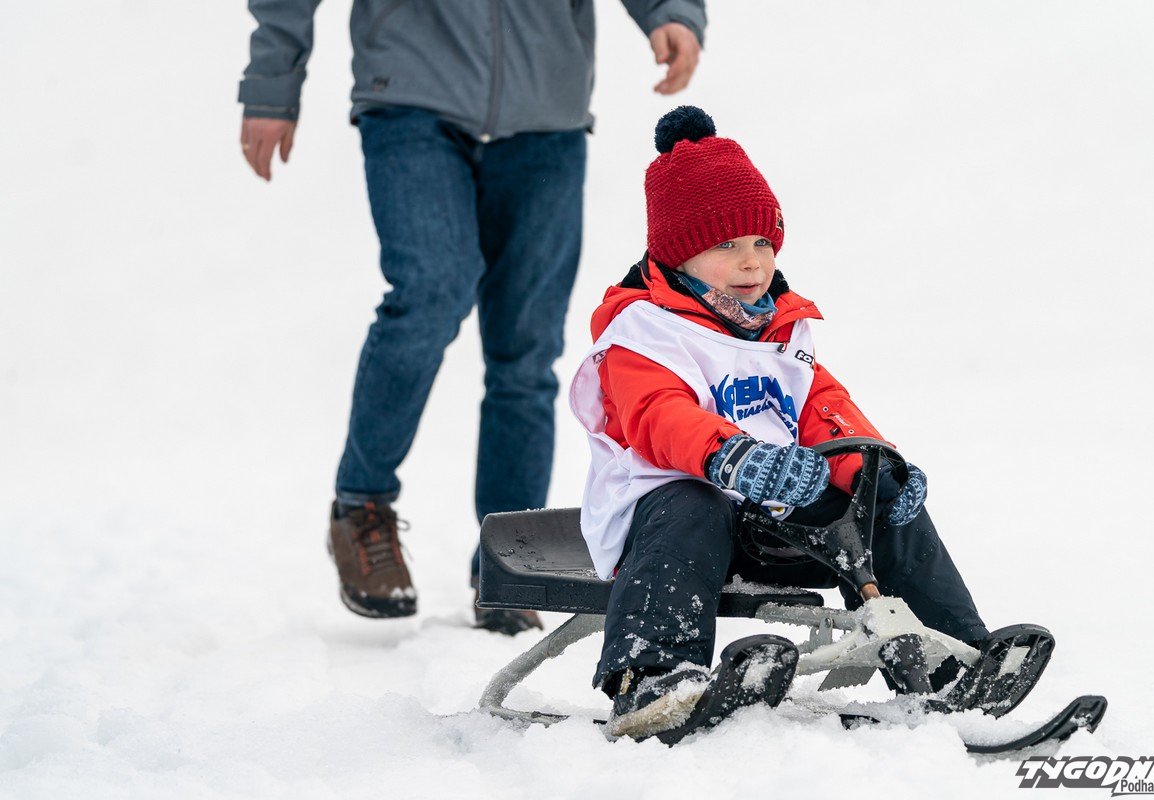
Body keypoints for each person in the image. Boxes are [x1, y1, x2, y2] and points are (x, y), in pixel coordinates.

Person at [237, 1, 707, 632]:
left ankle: (508, 558)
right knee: (430, 292)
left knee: (527, 344)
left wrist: (669, 11)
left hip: (546, 110)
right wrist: (273, 82)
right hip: (412, 91)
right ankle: (361, 506)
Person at [569, 106, 1004, 740]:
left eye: (762, 244)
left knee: (881, 505)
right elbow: (657, 415)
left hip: (771, 522)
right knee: (693, 502)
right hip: (666, 527)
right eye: (726, 246)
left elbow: (823, 409)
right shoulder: (643, 333)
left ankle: (949, 659)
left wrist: (872, 468)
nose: (751, 263)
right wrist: (734, 457)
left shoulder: (780, 328)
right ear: (680, 254)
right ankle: (653, 675)